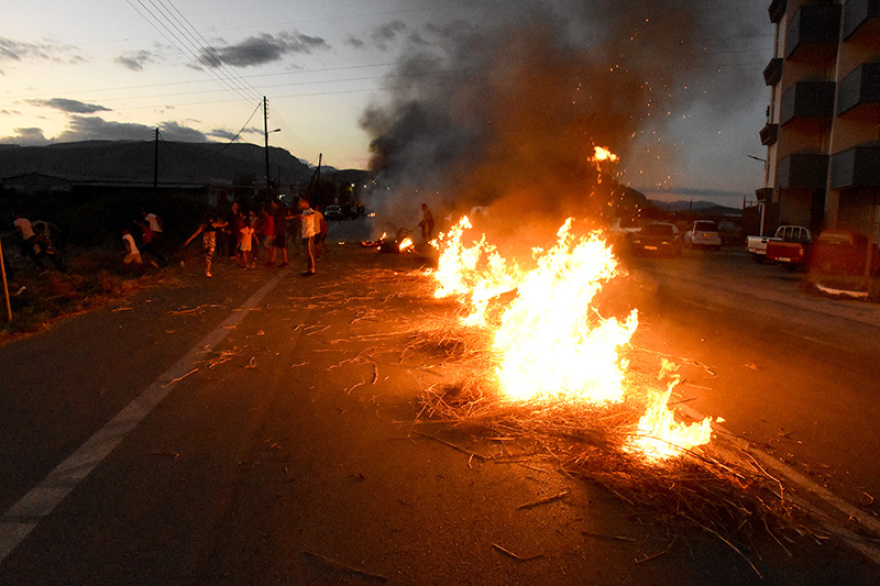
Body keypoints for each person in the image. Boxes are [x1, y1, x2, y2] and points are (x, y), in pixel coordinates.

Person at [183, 213, 228, 277]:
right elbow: (223, 225)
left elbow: (196, 233)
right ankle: (207, 271)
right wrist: (227, 222)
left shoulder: (203, 225)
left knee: (207, 255)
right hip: (211, 240)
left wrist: (188, 240)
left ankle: (207, 270)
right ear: (211, 219)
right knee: (209, 256)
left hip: (205, 240)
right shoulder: (214, 224)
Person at [297, 197, 319, 276]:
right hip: (305, 234)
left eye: (301, 203)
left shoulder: (310, 211)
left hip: (309, 234)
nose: (300, 205)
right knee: (307, 252)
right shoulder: (304, 211)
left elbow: (312, 215)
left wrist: (304, 217)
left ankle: (312, 269)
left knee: (309, 252)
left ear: (306, 203)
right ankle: (309, 268)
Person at [269, 199, 290, 268]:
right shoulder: (281, 211)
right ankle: (273, 260)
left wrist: (275, 233)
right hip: (281, 231)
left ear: (275, 204)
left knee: (282, 247)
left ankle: (285, 261)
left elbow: (278, 223)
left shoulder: (279, 212)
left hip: (279, 232)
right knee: (275, 246)